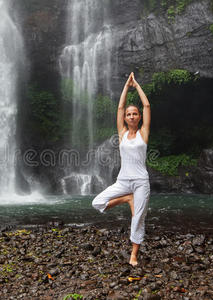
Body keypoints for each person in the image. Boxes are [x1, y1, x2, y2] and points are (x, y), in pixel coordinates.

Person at [92, 72, 151, 266]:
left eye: (134, 113)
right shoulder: (122, 133)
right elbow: (119, 107)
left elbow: (147, 105)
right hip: (123, 181)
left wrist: (138, 85)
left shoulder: (144, 133)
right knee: (97, 202)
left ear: (139, 116)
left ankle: (134, 254)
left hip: (141, 182)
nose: (131, 115)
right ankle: (126, 199)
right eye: (129, 114)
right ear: (125, 118)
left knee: (138, 218)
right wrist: (126, 86)